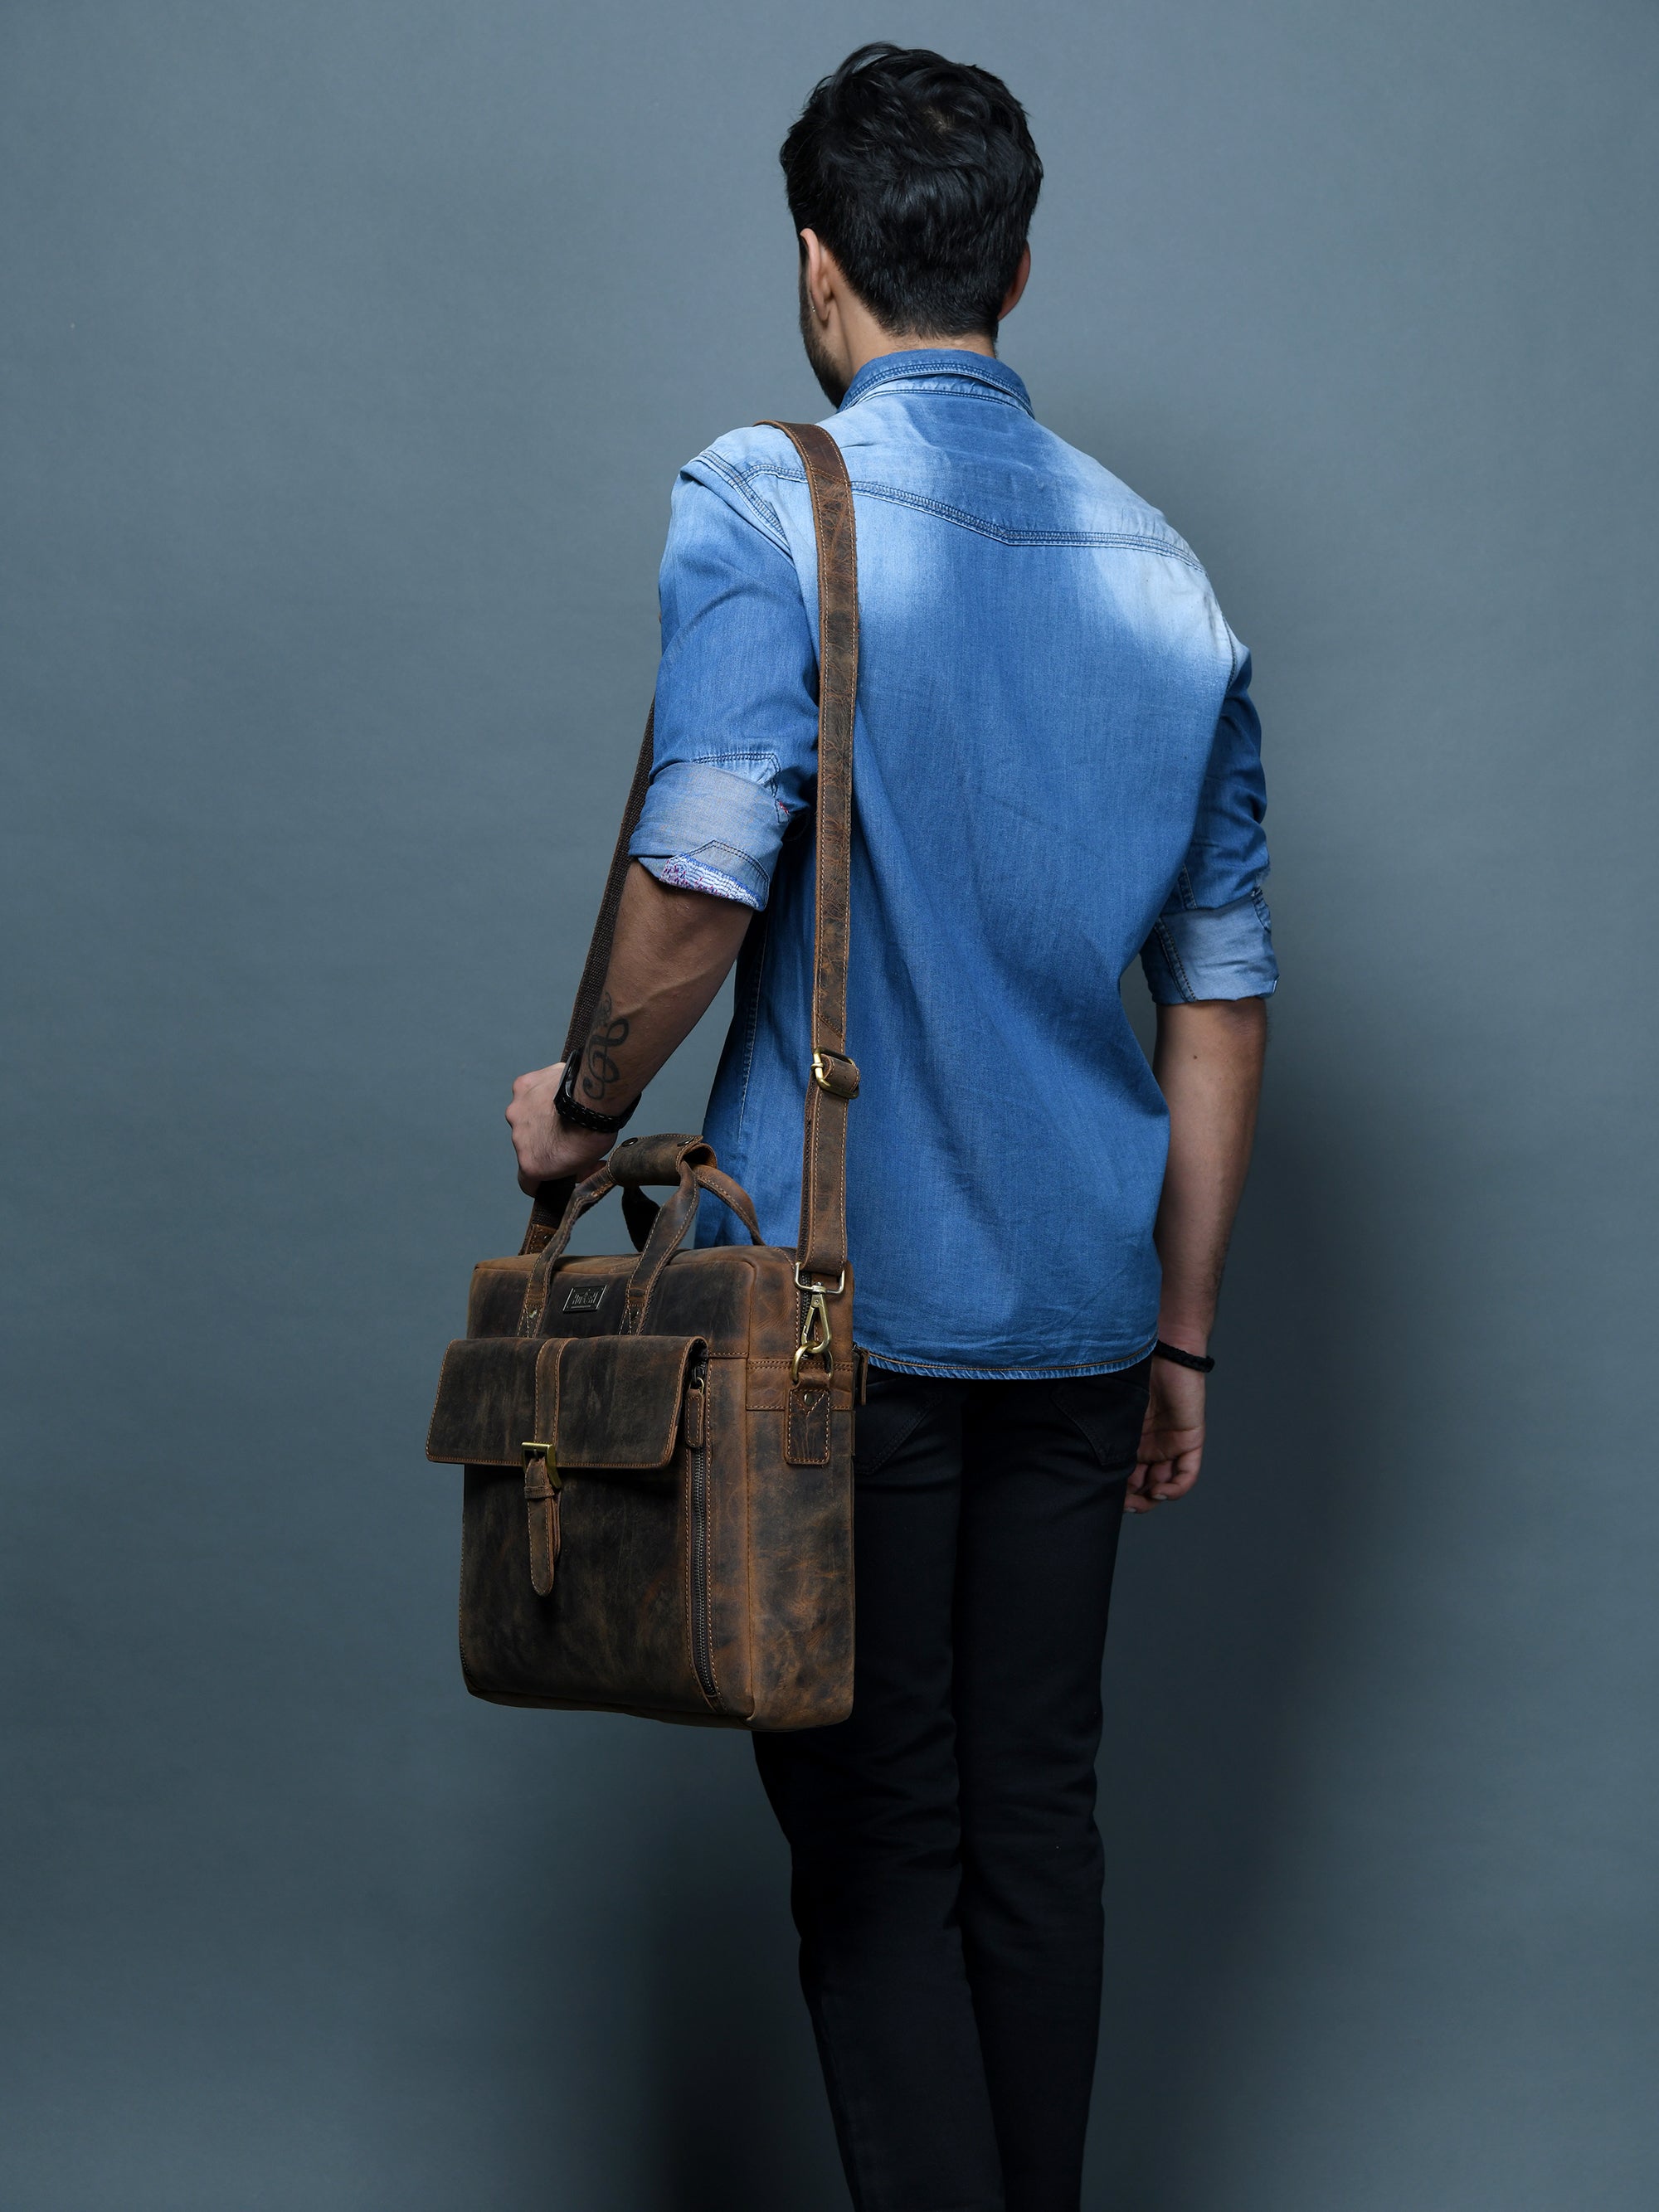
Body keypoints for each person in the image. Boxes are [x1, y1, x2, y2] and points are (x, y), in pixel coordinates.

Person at [508, 42, 1276, 2212]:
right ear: (1018, 266)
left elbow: (701, 871)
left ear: (818, 273)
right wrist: (1184, 1335)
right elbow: (1221, 988)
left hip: (831, 1327)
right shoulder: (1174, 578)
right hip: (1083, 1316)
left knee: (875, 1855)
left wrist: (580, 1109)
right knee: (1039, 1820)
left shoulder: (771, 498)